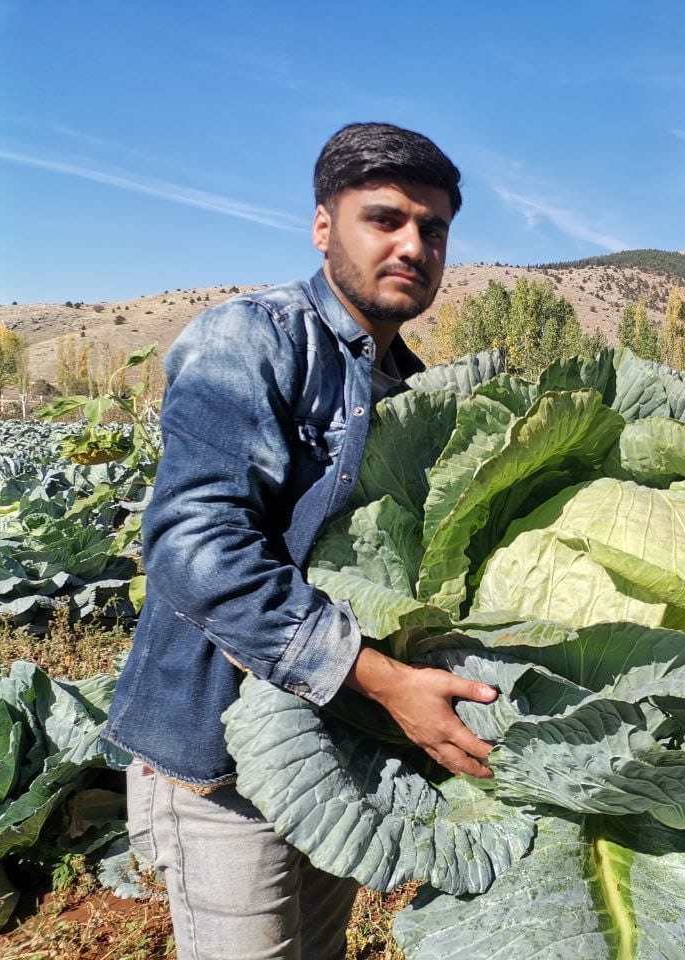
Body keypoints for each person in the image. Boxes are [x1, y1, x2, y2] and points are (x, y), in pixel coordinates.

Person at [103, 123, 498, 959]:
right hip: (221, 762)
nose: (412, 245)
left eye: (432, 229)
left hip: (332, 746)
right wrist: (384, 680)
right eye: (383, 219)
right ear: (324, 227)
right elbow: (194, 544)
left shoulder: (414, 389)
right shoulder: (253, 339)